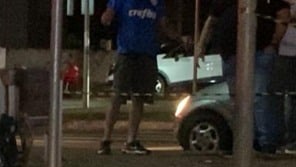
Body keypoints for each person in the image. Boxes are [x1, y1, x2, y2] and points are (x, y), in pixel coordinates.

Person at [196, 0, 290, 153]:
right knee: (238, 100)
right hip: (230, 55)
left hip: (259, 53)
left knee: (259, 98)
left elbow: (283, 16)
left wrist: (273, 43)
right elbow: (212, 20)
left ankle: (266, 143)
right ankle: (246, 141)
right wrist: (201, 45)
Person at [98, 0, 179, 155]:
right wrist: (107, 17)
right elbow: (106, 17)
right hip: (127, 52)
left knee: (139, 97)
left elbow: (163, 24)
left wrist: (178, 38)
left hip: (147, 54)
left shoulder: (156, 2)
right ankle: (105, 140)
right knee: (117, 96)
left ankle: (131, 141)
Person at [272, 0, 296, 153]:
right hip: (284, 53)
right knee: (283, 98)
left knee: (289, 99)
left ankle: (291, 140)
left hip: (286, 54)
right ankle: (286, 139)